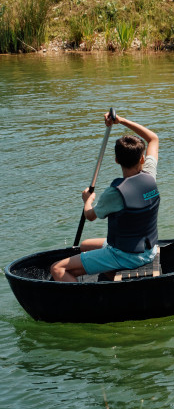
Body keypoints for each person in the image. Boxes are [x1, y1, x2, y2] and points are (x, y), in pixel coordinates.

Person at [51, 112, 161, 282]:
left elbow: (90, 215)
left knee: (57, 268)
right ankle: (111, 276)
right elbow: (153, 138)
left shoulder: (115, 193)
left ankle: (88, 305)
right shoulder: (150, 174)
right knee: (85, 245)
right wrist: (122, 121)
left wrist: (87, 200)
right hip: (149, 250)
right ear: (142, 159)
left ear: (116, 160)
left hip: (126, 255)